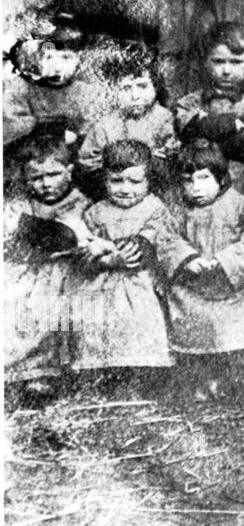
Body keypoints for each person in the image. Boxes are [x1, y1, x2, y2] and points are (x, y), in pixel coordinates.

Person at [163, 138, 244, 402]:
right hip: (193, 285)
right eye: (188, 181)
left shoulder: (240, 205)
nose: (196, 188)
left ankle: (227, 380)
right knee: (192, 319)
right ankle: (201, 377)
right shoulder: (178, 208)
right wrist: (187, 259)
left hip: (233, 286)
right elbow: (166, 238)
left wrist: (224, 261)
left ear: (221, 179)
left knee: (232, 326)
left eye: (204, 178)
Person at [75, 139, 175, 378]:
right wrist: (104, 260)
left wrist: (113, 251)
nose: (125, 189)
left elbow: (145, 245)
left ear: (148, 181)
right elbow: (83, 250)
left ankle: (143, 374)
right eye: (116, 181)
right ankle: (108, 373)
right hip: (104, 282)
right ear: (104, 180)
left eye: (135, 181)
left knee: (140, 324)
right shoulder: (95, 212)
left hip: (139, 281)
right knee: (100, 325)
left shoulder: (154, 208)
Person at [3, 129, 89, 399]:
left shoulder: (81, 203)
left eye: (53, 175)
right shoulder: (24, 206)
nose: (45, 184)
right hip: (35, 272)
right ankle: (33, 373)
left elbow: (74, 237)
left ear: (70, 171)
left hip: (70, 271)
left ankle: (64, 373)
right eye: (36, 178)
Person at [174, 21, 244, 208]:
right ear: (205, 61)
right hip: (200, 192)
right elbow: (187, 133)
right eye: (218, 61)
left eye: (235, 62)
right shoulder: (189, 103)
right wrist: (231, 127)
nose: (226, 70)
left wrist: (207, 134)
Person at [77, 44, 179, 198]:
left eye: (142, 86)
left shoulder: (164, 118)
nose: (135, 95)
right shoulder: (105, 124)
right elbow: (88, 163)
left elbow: (172, 158)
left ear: (155, 87)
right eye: (126, 88)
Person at [2, 23, 98, 147]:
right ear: (36, 75)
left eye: (46, 45)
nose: (53, 51)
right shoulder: (22, 92)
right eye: (47, 57)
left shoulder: (79, 45)